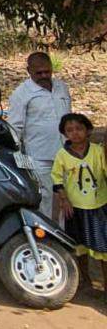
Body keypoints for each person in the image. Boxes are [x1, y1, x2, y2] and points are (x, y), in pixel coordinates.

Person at [8, 51, 71, 218]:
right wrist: (16, 157)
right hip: (38, 157)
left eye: (47, 72)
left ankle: (66, 238)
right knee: (44, 199)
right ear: (29, 71)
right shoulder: (21, 93)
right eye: (39, 73)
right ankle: (45, 241)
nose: (44, 76)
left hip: (65, 153)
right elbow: (14, 127)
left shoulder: (61, 87)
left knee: (68, 198)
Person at [52, 113, 107, 292]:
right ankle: (85, 280)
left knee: (103, 249)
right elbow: (57, 178)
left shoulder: (98, 152)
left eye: (79, 129)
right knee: (79, 245)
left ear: (88, 130)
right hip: (75, 207)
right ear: (64, 134)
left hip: (99, 206)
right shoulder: (62, 155)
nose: (75, 133)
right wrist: (64, 199)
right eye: (70, 130)